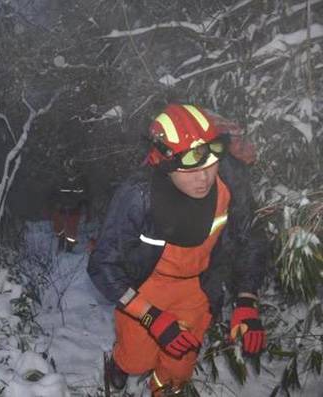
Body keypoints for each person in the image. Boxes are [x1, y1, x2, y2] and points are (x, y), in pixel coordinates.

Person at [87, 104, 268, 395]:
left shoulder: (230, 182)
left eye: (211, 164)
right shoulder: (138, 195)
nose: (204, 178)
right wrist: (150, 316)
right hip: (147, 288)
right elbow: (102, 265)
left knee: (178, 367)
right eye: (191, 169)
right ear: (165, 163)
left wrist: (247, 300)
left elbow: (250, 236)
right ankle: (120, 365)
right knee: (137, 358)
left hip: (196, 289)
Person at [49, 160, 90, 252]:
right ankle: (62, 244)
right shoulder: (60, 178)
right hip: (63, 208)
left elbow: (85, 194)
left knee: (71, 230)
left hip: (74, 209)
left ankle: (69, 248)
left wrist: (85, 206)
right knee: (61, 228)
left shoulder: (81, 179)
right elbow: (53, 192)